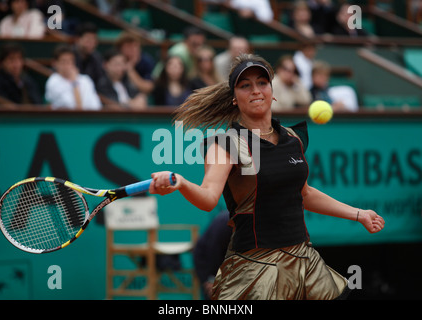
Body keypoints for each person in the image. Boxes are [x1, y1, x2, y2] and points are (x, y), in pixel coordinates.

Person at [148, 53, 385, 300]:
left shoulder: (292, 139)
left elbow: (304, 194)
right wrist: (182, 183)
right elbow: (208, 198)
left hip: (303, 260)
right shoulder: (225, 144)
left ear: (272, 91)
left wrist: (358, 214)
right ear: (234, 99)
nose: (256, 91)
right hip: (254, 267)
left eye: (262, 83)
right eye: (245, 85)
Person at [45, 44, 102, 110]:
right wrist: (74, 83)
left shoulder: (86, 79)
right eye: (63, 61)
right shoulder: (53, 81)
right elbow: (76, 108)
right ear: (55, 63)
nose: (67, 65)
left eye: (70, 61)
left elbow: (96, 106)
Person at [193, 210, 232, 300]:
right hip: (205, 259)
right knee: (213, 293)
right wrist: (211, 279)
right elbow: (213, 251)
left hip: (223, 260)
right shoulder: (225, 223)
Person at [72, 22, 106, 86]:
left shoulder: (97, 57)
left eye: (94, 40)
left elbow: (101, 80)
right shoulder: (68, 56)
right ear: (77, 39)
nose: (92, 43)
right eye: (88, 39)